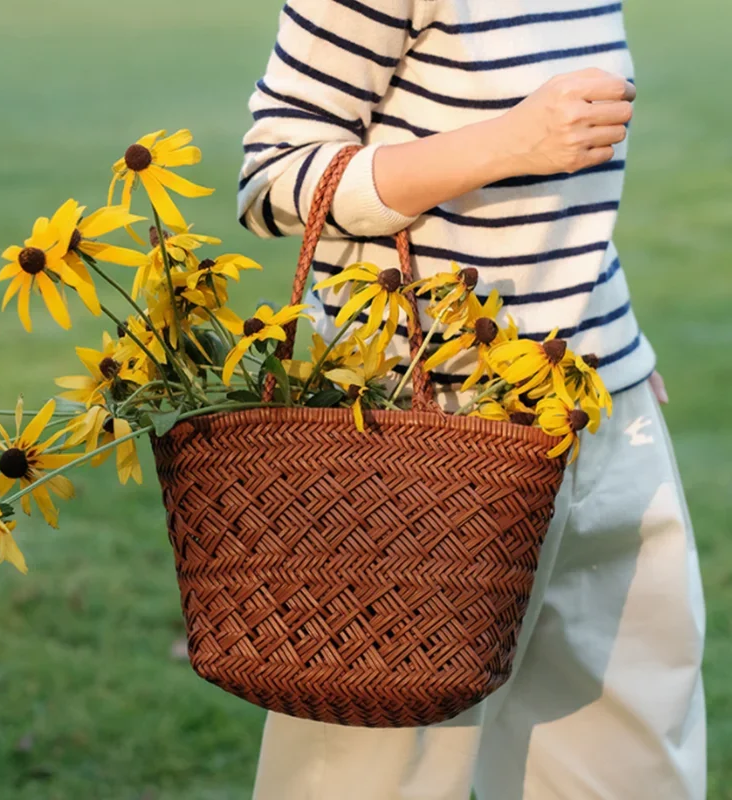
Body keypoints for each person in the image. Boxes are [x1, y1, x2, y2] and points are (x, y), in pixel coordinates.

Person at [236, 1, 707, 797]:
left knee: (632, 765)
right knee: (376, 769)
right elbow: (272, 182)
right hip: (420, 432)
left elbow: (568, 196)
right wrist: (507, 142)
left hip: (600, 410)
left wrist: (610, 339)